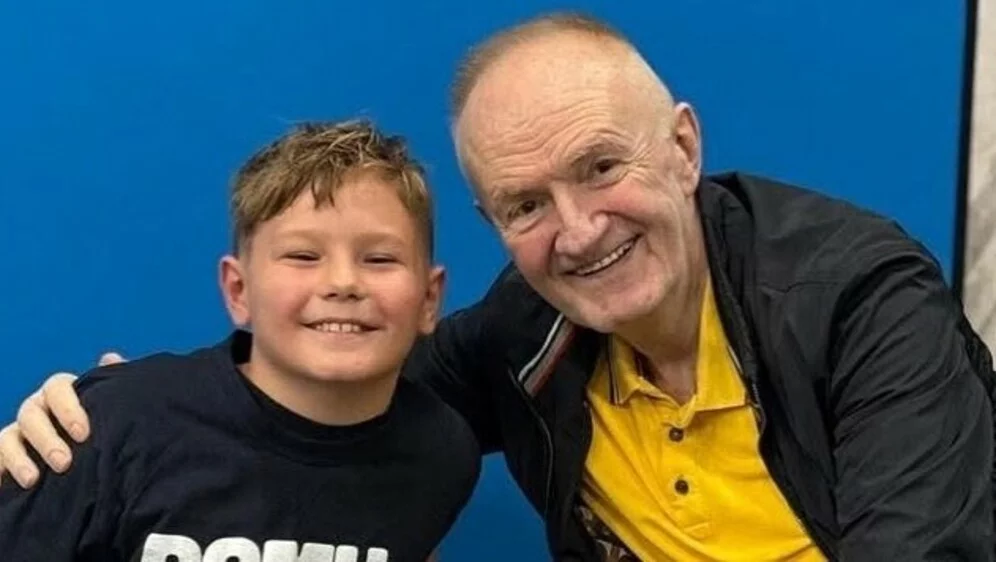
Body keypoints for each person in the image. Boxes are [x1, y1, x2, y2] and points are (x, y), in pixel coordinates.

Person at [2, 11, 994, 562]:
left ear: (684, 147)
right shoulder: (530, 327)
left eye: (601, 167)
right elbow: (323, 381)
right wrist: (114, 416)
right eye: (526, 204)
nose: (578, 230)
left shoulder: (856, 299)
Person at [0, 120, 480, 562]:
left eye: (379, 259)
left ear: (429, 299)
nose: (343, 282)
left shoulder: (441, 450)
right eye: (302, 255)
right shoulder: (112, 423)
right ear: (238, 290)